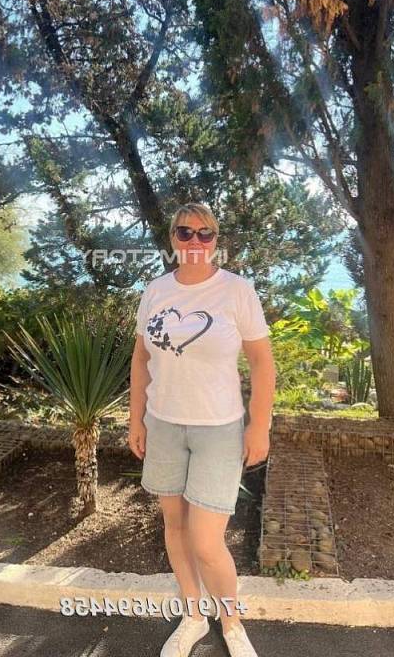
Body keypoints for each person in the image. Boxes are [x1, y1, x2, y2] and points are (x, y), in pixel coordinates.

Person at [129, 202, 276, 657]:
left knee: (207, 542)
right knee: (175, 527)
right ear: (173, 237)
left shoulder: (235, 291)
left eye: (205, 233)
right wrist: (136, 418)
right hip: (164, 424)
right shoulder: (156, 291)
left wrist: (260, 426)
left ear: (216, 240)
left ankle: (231, 623)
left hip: (219, 430)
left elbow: (262, 362)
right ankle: (193, 616)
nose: (195, 241)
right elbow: (141, 358)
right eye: (185, 232)